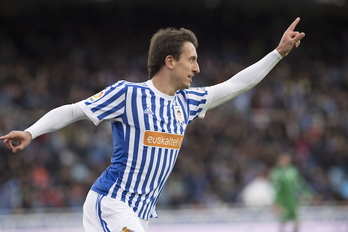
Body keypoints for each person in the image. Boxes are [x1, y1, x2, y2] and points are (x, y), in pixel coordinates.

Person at [0, 18, 305, 232]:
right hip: (111, 203)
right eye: (192, 59)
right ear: (170, 61)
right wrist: (30, 131)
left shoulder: (188, 102)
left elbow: (236, 85)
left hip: (141, 215)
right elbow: (74, 111)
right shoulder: (127, 94)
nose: (198, 68)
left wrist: (277, 53)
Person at [270, 152, 304, 232]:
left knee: (298, 220)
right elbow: (276, 189)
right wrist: (276, 202)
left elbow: (299, 184)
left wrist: (304, 195)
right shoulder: (276, 172)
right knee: (283, 221)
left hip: (293, 200)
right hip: (282, 200)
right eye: (283, 159)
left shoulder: (293, 170)